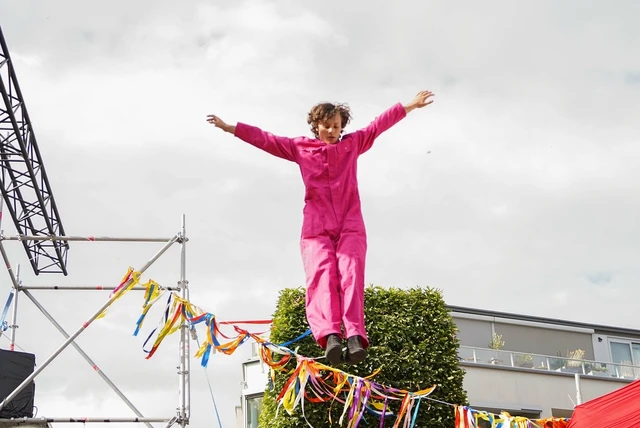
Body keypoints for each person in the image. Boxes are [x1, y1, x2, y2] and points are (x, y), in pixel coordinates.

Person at [207, 90, 434, 365]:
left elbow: (379, 124)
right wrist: (230, 127)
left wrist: (411, 105)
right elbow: (266, 140)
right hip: (316, 227)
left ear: (342, 126)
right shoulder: (300, 147)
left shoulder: (353, 144)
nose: (331, 131)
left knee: (351, 273)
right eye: (326, 126)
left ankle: (354, 336)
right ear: (316, 126)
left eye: (336, 126)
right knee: (323, 276)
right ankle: (331, 336)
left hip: (350, 223)